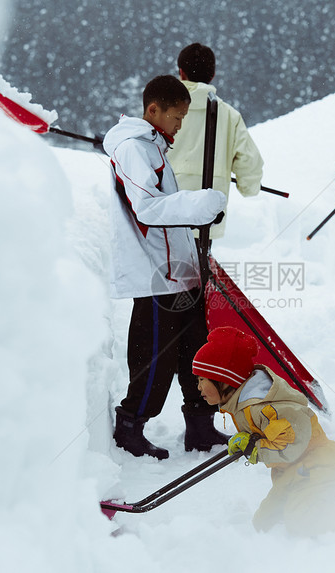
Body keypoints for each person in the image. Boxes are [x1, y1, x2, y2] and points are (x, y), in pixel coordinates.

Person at [102, 75, 231, 460]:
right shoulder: (133, 150)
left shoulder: (154, 147)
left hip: (180, 272)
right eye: (176, 117)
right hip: (157, 276)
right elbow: (148, 208)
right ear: (153, 109)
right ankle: (131, 425)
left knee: (197, 348)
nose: (179, 125)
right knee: (154, 357)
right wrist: (200, 205)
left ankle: (200, 424)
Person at [193, 326, 335, 536]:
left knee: (300, 521)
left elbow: (291, 446)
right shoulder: (242, 402)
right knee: (265, 523)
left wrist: (256, 450)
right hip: (293, 473)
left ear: (224, 379)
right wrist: (247, 439)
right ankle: (321, 512)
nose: (198, 387)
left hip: (320, 467)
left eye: (202, 379)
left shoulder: (265, 407)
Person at [167, 43, 264, 240]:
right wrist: (249, 187)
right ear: (212, 76)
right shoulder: (229, 116)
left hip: (164, 213)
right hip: (207, 219)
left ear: (181, 72)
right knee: (198, 267)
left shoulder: (161, 110)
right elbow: (250, 162)